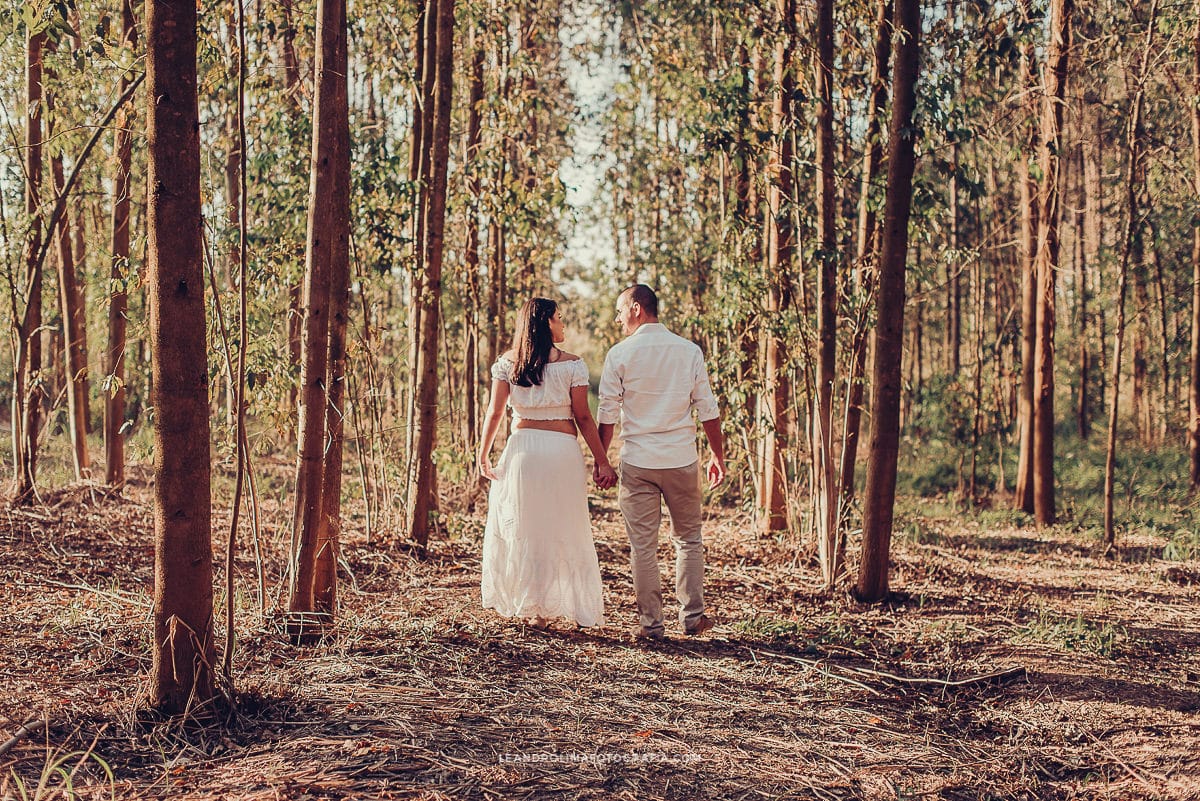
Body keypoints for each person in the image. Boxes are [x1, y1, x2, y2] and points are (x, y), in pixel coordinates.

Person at [476, 298, 616, 629]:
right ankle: (565, 606)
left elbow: (495, 412)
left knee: (528, 527)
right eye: (558, 318)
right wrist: (602, 461)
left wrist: (483, 453)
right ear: (544, 324)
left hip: (523, 452)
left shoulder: (507, 365)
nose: (563, 323)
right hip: (560, 452)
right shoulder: (572, 365)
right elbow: (583, 415)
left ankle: (537, 608)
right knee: (565, 525)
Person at [597, 284, 726, 640]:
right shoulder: (688, 351)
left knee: (643, 547)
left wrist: (602, 459)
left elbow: (607, 413)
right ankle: (693, 618)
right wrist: (718, 454)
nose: (618, 317)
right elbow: (707, 409)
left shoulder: (619, 354)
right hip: (680, 460)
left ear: (637, 308)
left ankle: (651, 626)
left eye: (620, 309)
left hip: (638, 462)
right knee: (688, 540)